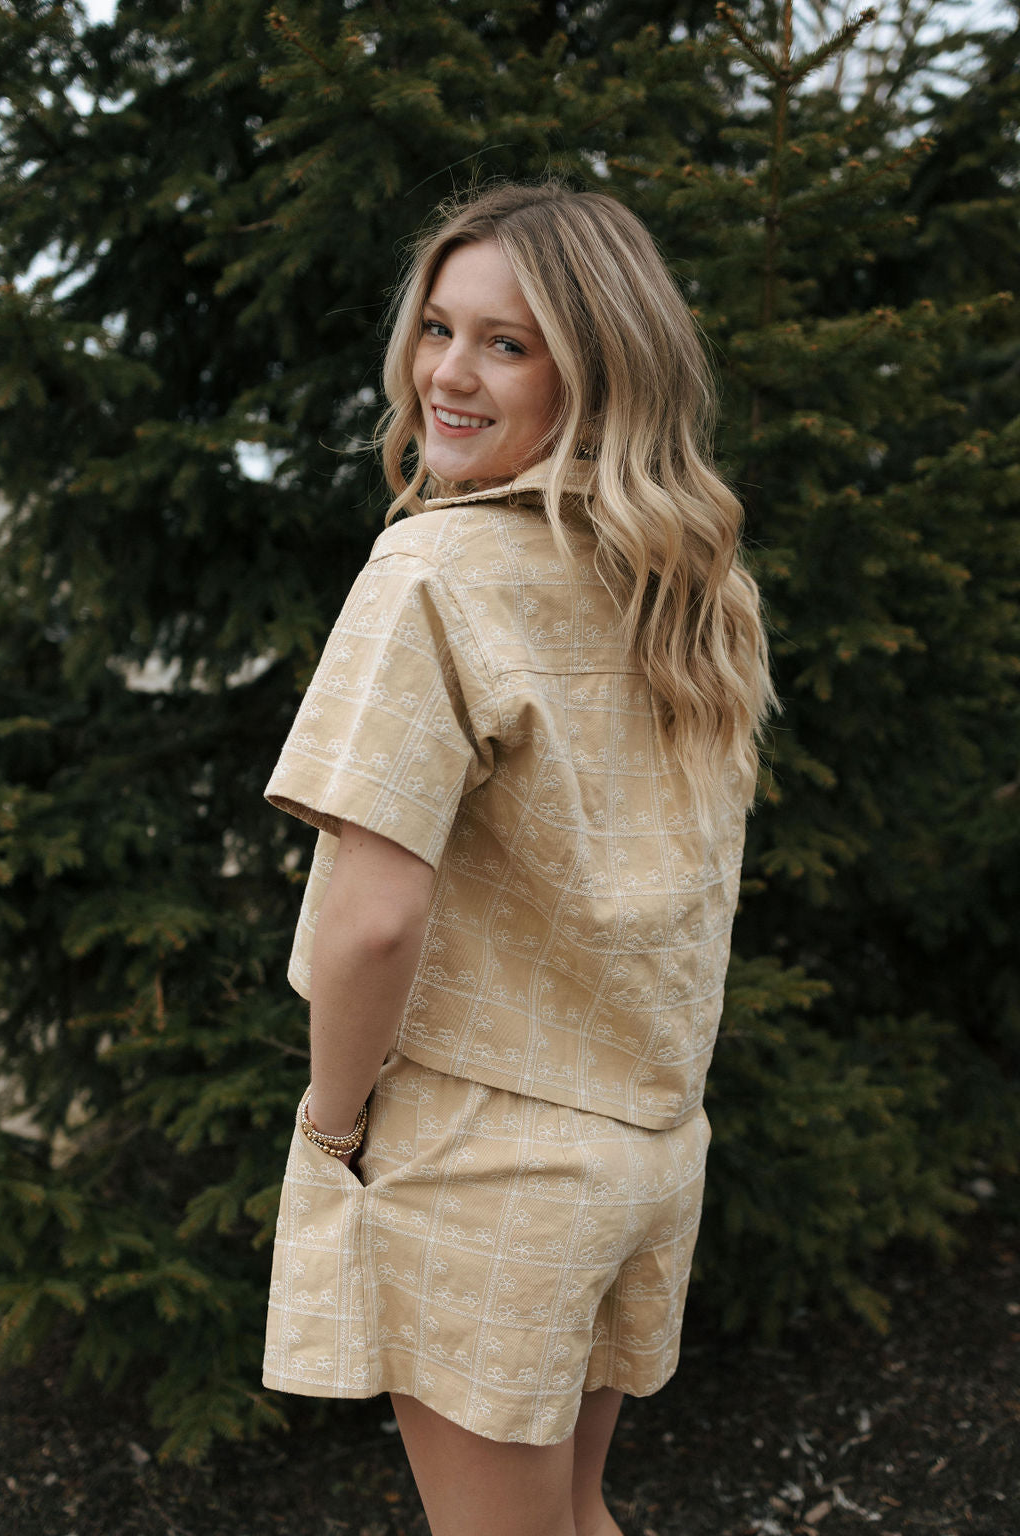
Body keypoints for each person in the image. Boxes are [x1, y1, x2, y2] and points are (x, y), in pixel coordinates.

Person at [261, 181, 774, 1536]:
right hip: (646, 1147)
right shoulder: (696, 584)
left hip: (482, 1161)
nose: (447, 373)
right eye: (438, 328)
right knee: (577, 1518)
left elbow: (375, 918)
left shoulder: (433, 574)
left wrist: (333, 1127)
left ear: (597, 372)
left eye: (507, 344)